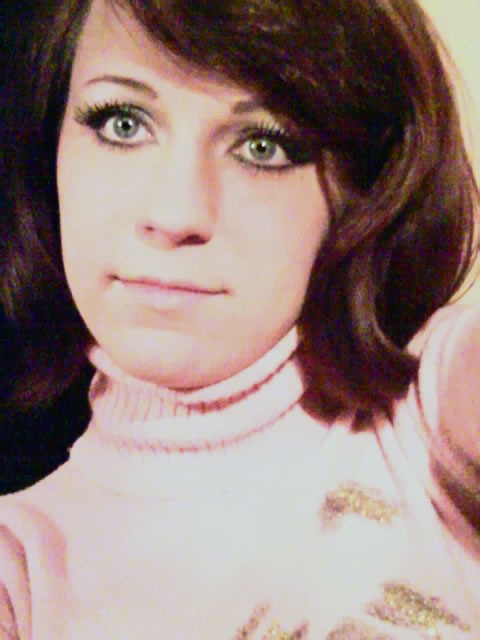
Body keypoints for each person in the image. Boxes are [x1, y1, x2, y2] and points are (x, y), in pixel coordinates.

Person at [0, 0, 478, 637]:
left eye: (262, 145)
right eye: (122, 123)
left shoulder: (427, 405)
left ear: (361, 195)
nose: (175, 214)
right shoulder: (18, 566)